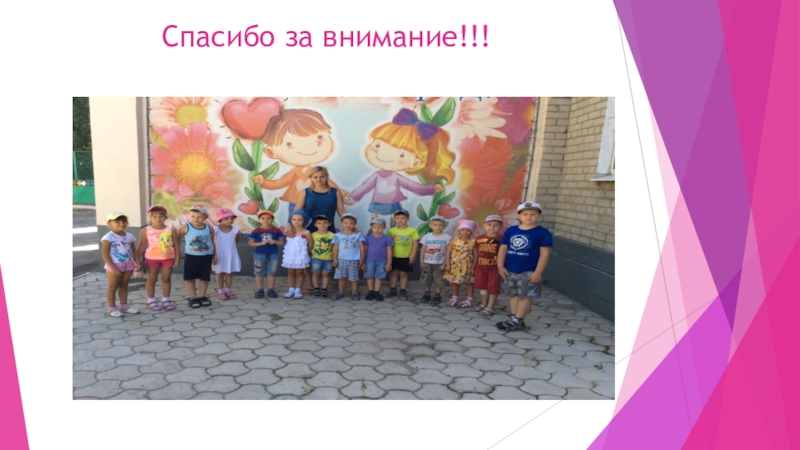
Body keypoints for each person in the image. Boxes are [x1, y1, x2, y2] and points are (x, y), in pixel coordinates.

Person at [347, 108, 453, 221]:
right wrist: (354, 197)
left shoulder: (396, 177)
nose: (382, 155)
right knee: (374, 221)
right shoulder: (377, 176)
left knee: (395, 220)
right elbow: (365, 187)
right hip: (377, 203)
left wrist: (431, 189)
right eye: (378, 145)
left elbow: (413, 187)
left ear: (415, 163)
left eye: (402, 155)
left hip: (393, 204)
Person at [252, 109, 348, 220]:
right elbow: (280, 183)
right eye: (289, 144)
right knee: (296, 221)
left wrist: (341, 193)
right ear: (271, 152)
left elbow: (328, 184)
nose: (310, 147)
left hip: (314, 202)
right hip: (295, 201)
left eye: (319, 138)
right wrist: (264, 182)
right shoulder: (296, 172)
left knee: (315, 223)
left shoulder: (317, 172)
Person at [497, 201, 553, 332]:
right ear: (519, 216)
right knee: (513, 294)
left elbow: (545, 253)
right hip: (510, 269)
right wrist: (500, 266)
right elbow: (503, 249)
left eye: (533, 214)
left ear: (539, 215)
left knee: (526, 296)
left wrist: (538, 271)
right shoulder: (511, 230)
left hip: (529, 270)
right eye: (525, 214)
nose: (529, 217)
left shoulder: (543, 233)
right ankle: (514, 318)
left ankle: (517, 320)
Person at [136, 206, 179, 311]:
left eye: (161, 216)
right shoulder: (145, 230)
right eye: (154, 216)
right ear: (150, 217)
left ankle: (166, 300)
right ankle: (151, 300)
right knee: (152, 279)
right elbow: (141, 246)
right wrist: (136, 260)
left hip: (168, 258)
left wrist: (177, 258)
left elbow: (176, 245)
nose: (158, 219)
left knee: (166, 279)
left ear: (165, 217)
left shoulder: (171, 229)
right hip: (151, 259)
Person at [100, 212, 141, 317]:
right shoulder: (108, 237)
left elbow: (134, 250)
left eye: (124, 221)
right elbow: (104, 254)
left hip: (128, 265)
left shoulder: (129, 236)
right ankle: (112, 308)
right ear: (109, 223)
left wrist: (137, 262)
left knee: (124, 286)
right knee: (113, 287)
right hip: (114, 266)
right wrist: (114, 268)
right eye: (117, 222)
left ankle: (124, 306)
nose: (121, 224)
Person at [176, 205, 218, 308]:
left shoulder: (209, 228)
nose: (196, 219)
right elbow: (176, 239)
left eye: (199, 217)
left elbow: (212, 242)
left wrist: (215, 255)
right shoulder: (185, 227)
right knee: (190, 277)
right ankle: (193, 297)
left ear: (205, 217)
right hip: (191, 257)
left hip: (206, 257)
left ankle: (202, 296)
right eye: (193, 216)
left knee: (204, 277)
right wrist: (177, 252)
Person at [472, 215, 504, 317]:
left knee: (493, 287)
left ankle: (490, 307)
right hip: (481, 267)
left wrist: (502, 267)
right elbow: (476, 252)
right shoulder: (479, 239)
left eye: (496, 225)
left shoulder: (502, 240)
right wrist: (474, 266)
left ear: (501, 226)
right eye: (489, 225)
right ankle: (484, 304)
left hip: (494, 268)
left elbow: (504, 254)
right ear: (484, 226)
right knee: (483, 286)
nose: (492, 227)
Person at [248, 210, 284, 299]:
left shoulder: (276, 230)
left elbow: (281, 242)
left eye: (268, 218)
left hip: (273, 254)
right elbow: (250, 243)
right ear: (259, 219)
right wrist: (260, 243)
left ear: (272, 219)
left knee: (272, 272)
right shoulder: (256, 231)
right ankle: (260, 290)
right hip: (259, 254)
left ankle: (271, 290)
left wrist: (275, 241)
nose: (266, 220)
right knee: (259, 272)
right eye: (263, 218)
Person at [386, 209, 419, 301]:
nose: (400, 220)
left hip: (405, 256)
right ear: (394, 219)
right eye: (397, 218)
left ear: (408, 218)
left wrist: (413, 255)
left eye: (402, 218)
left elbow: (415, 244)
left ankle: (403, 291)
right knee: (393, 273)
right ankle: (393, 289)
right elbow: (387, 244)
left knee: (403, 274)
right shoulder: (391, 230)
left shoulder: (412, 230)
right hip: (393, 256)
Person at [443, 219, 478, 308]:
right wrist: (447, 264)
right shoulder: (454, 240)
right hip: (455, 265)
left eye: (468, 230)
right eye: (463, 230)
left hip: (468, 266)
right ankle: (454, 298)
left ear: (471, 231)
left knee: (469, 283)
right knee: (455, 282)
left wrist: (474, 267)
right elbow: (448, 252)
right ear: (459, 230)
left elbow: (475, 255)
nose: (465, 232)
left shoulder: (473, 241)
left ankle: (469, 300)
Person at [419, 215, 452, 306]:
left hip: (439, 263)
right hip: (427, 262)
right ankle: (427, 294)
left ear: (444, 226)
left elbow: (448, 252)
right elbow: (423, 249)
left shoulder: (447, 237)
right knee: (427, 279)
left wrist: (445, 263)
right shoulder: (427, 236)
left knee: (439, 280)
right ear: (430, 225)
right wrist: (421, 261)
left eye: (440, 225)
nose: (437, 227)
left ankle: (437, 295)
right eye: (435, 225)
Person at [332, 213, 366, 300]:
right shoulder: (338, 235)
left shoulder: (358, 235)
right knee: (341, 277)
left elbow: (362, 247)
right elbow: (335, 247)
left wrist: (362, 259)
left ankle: (354, 292)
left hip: (354, 260)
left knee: (354, 277)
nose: (348, 225)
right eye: (346, 223)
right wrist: (335, 259)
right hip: (341, 260)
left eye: (351, 223)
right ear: (341, 223)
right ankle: (340, 292)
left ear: (355, 224)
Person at [282, 210, 311, 298]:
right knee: (290, 272)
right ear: (291, 220)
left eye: (299, 220)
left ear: (304, 221)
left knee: (300, 272)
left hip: (301, 257)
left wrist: (306, 254)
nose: (296, 222)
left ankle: (298, 290)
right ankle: (291, 290)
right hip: (290, 256)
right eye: (294, 219)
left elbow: (311, 244)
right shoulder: (289, 232)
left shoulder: (306, 232)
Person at [213, 208, 242, 300]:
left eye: (232, 218)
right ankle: (220, 291)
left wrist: (229, 249)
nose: (230, 220)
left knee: (229, 273)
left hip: (231, 253)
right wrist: (214, 255)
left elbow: (236, 241)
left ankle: (228, 290)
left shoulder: (235, 229)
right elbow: (212, 242)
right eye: (226, 218)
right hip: (219, 254)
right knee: (220, 273)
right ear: (220, 219)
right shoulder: (215, 229)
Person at [362, 218, 393, 302]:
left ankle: (377, 292)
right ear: (371, 227)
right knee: (369, 276)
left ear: (384, 227)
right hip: (369, 261)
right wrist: (362, 262)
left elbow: (389, 252)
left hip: (382, 261)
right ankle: (370, 292)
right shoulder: (367, 238)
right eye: (374, 227)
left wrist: (389, 263)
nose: (377, 229)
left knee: (379, 277)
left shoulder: (387, 239)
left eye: (380, 227)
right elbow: (364, 251)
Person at [308, 215, 335, 298]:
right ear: (315, 224)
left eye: (325, 223)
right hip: (316, 258)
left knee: (326, 274)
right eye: (319, 223)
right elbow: (310, 245)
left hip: (329, 258)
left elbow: (335, 248)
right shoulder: (312, 235)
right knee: (315, 273)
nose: (322, 225)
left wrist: (334, 258)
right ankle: (316, 288)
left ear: (330, 224)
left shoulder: (333, 235)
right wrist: (310, 255)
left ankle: (324, 289)